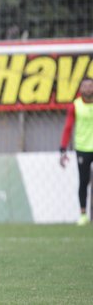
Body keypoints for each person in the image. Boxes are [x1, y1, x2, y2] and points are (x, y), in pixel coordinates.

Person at [60, 78, 93, 226]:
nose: (87, 88)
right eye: (84, 86)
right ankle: (83, 214)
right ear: (80, 89)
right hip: (82, 148)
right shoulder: (75, 105)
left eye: (90, 85)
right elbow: (68, 127)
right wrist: (63, 148)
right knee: (83, 181)